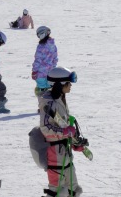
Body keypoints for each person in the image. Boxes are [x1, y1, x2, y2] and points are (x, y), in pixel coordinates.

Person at [38, 66, 84, 197]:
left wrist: (75, 141)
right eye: (68, 83)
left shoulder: (60, 99)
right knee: (58, 191)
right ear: (59, 84)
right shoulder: (49, 103)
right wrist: (64, 132)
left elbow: (64, 125)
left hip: (65, 153)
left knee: (73, 190)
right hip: (55, 156)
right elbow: (45, 128)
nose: (71, 86)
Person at [31, 26, 58, 96]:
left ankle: (43, 104)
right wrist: (53, 68)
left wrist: (34, 71)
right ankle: (49, 104)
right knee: (49, 90)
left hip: (41, 73)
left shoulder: (41, 46)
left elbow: (38, 59)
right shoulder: (53, 45)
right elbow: (55, 58)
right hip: (50, 73)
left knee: (41, 91)